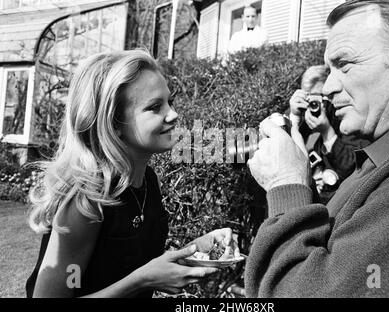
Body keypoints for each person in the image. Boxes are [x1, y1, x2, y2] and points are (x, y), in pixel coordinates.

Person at [245, 0, 389, 297]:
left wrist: (285, 186)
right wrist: (302, 181)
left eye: (344, 64)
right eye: (330, 69)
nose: (328, 88)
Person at [25, 50, 239, 298]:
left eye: (169, 102)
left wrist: (197, 250)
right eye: (155, 107)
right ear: (114, 124)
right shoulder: (88, 201)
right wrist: (141, 281)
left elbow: (129, 265)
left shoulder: (146, 181)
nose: (173, 114)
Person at [288, 65, 371, 203]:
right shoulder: (300, 117)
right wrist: (295, 117)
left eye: (319, 99)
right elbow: (285, 155)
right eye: (309, 100)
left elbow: (353, 167)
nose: (314, 106)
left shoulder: (348, 119)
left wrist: (327, 132)